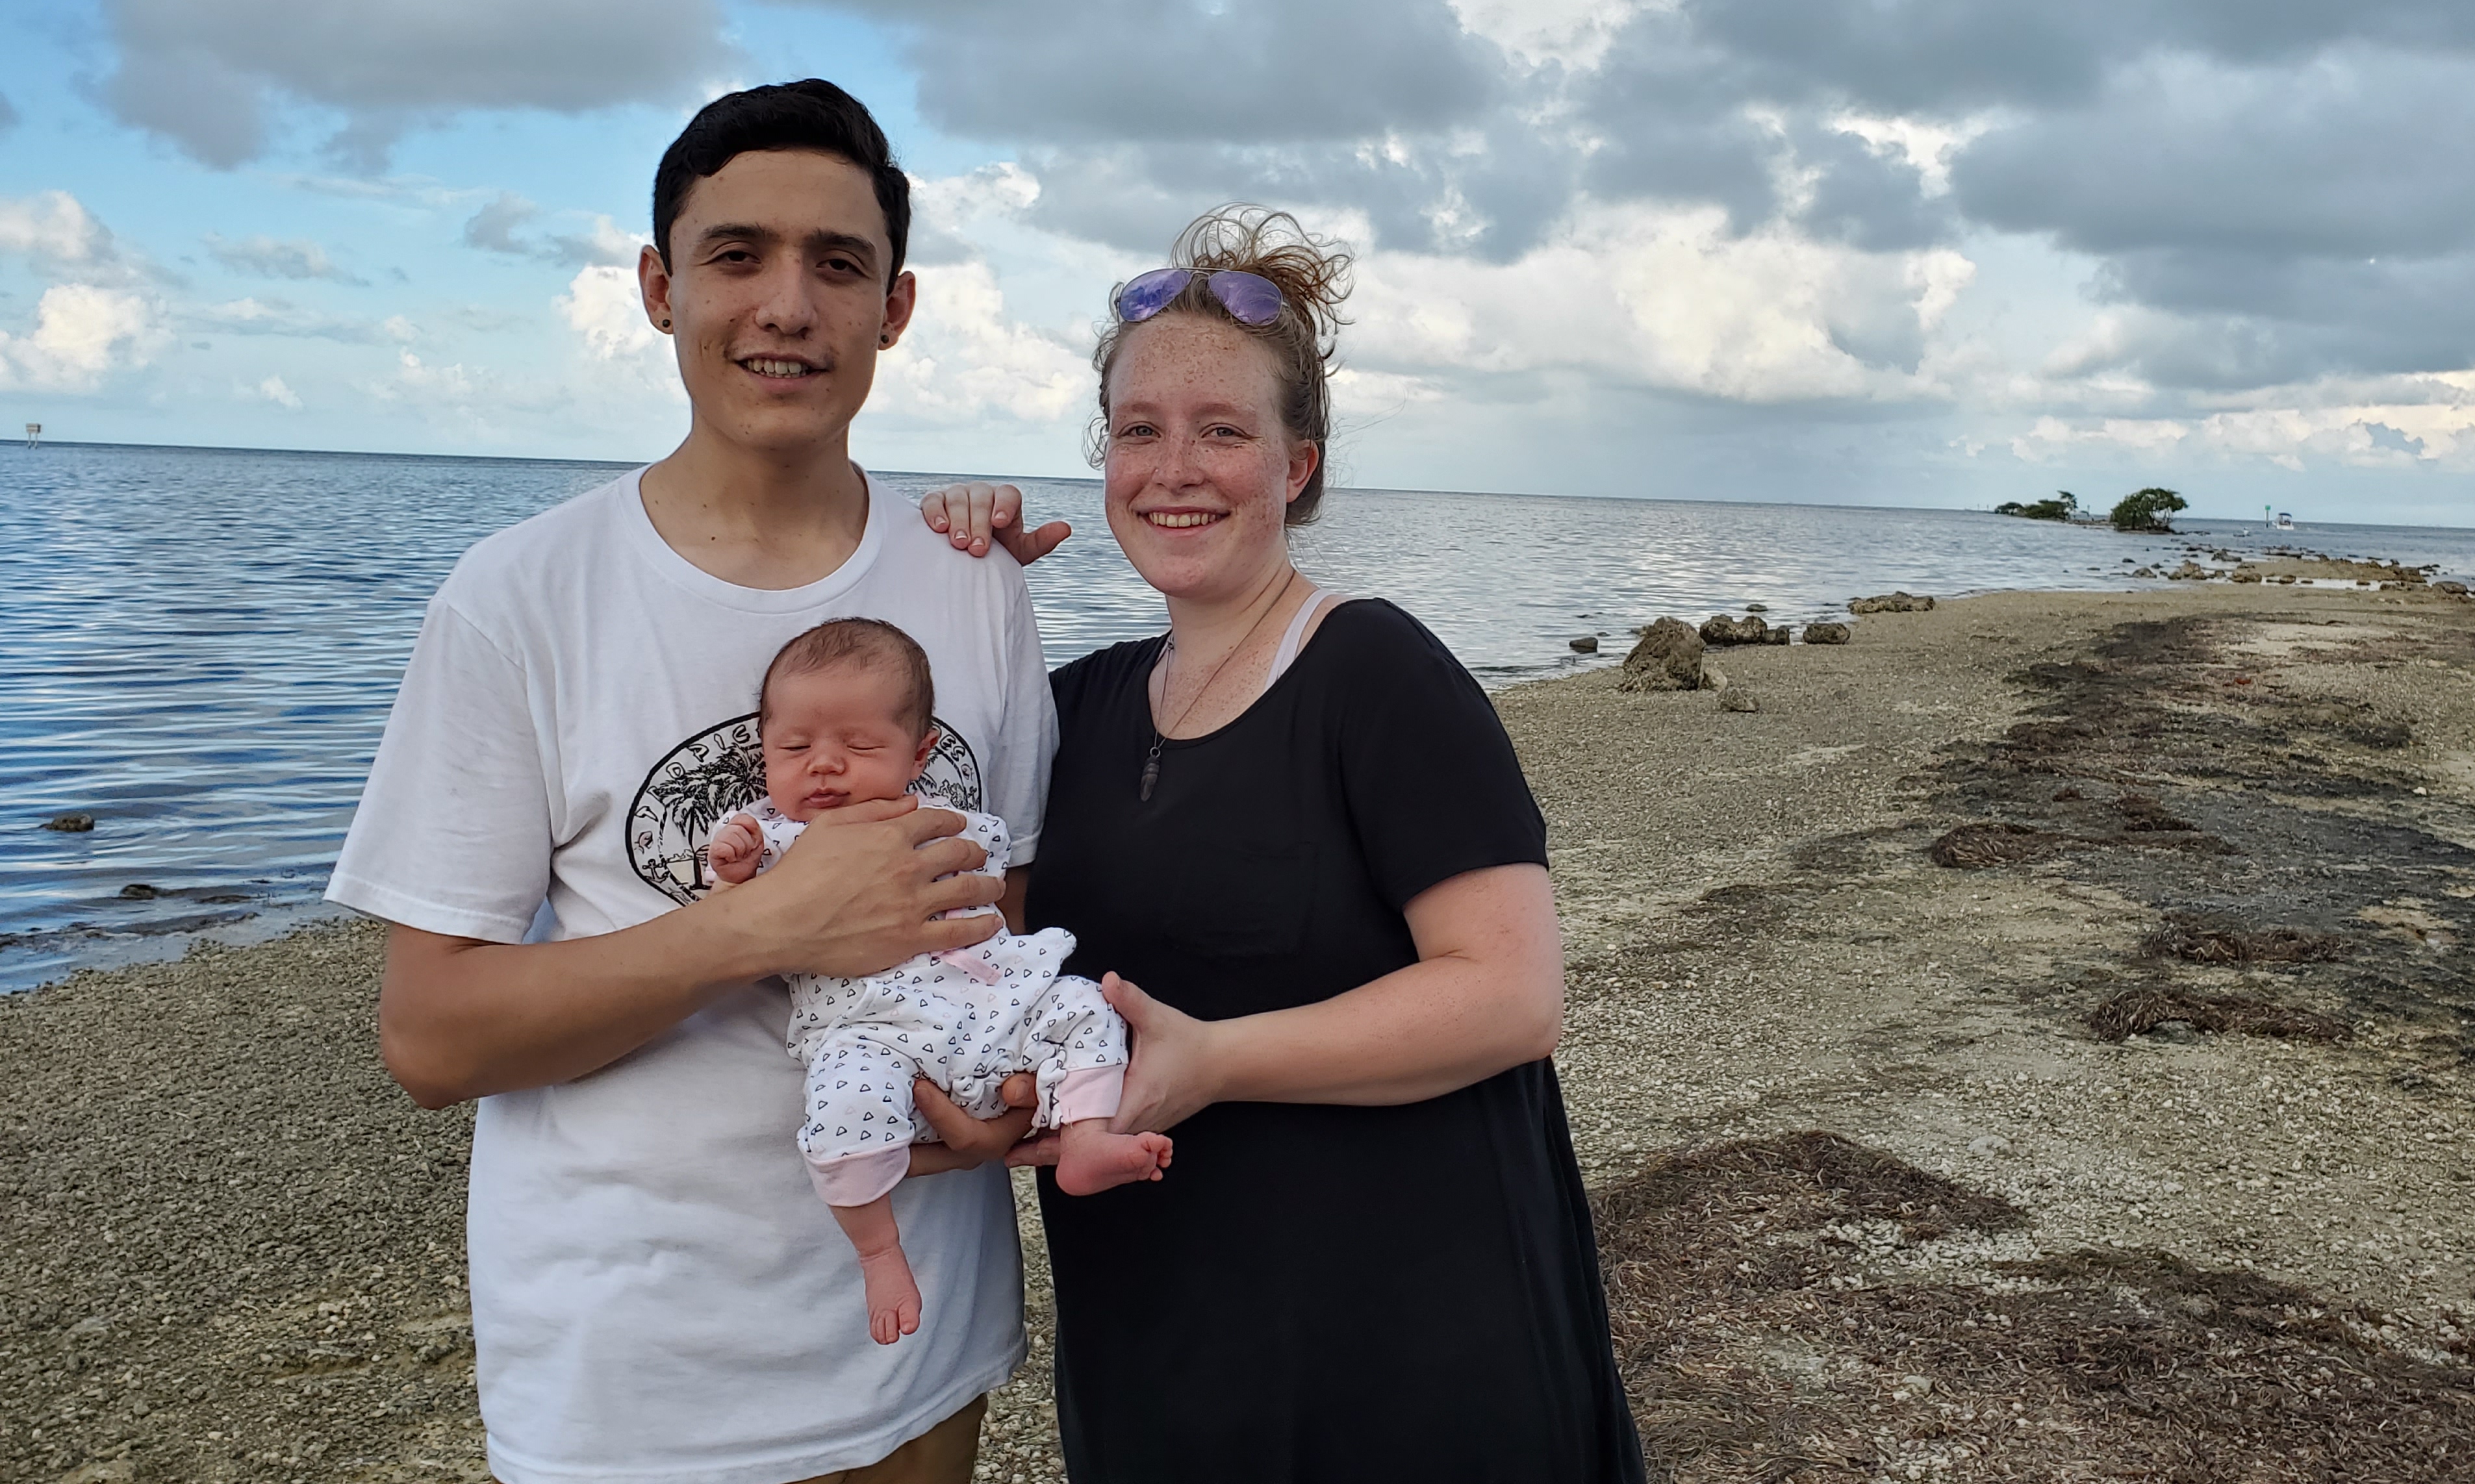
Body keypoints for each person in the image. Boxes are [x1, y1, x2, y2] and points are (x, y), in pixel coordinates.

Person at [327, 80, 1053, 1484]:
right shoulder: (521, 597)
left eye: (837, 263)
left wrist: (1004, 1088)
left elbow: (1000, 919)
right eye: (736, 255)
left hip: (925, 1346)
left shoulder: (975, 589)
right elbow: (432, 1038)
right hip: (635, 1374)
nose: (787, 304)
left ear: (894, 309)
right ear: (660, 289)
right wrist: (763, 924)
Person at [922, 208, 1645, 1483]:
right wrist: (941, 580)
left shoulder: (1376, 672)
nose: (1174, 468)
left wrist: (1216, 1061)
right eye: (1138, 430)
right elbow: (974, 926)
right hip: (1160, 1325)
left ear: (1296, 465)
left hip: (1408, 1336)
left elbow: (1513, 994)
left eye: (1222, 431)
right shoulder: (1073, 707)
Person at [705, 616, 1171, 1346]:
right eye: (794, 748)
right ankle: (878, 1251)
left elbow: (1000, 890)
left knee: (1083, 1002)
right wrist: (735, 868)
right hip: (873, 1034)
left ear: (920, 753)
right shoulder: (773, 838)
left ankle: (1085, 1137)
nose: (823, 765)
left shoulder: (945, 819)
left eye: (859, 747)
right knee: (842, 1102)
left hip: (990, 1008)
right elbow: (728, 922)